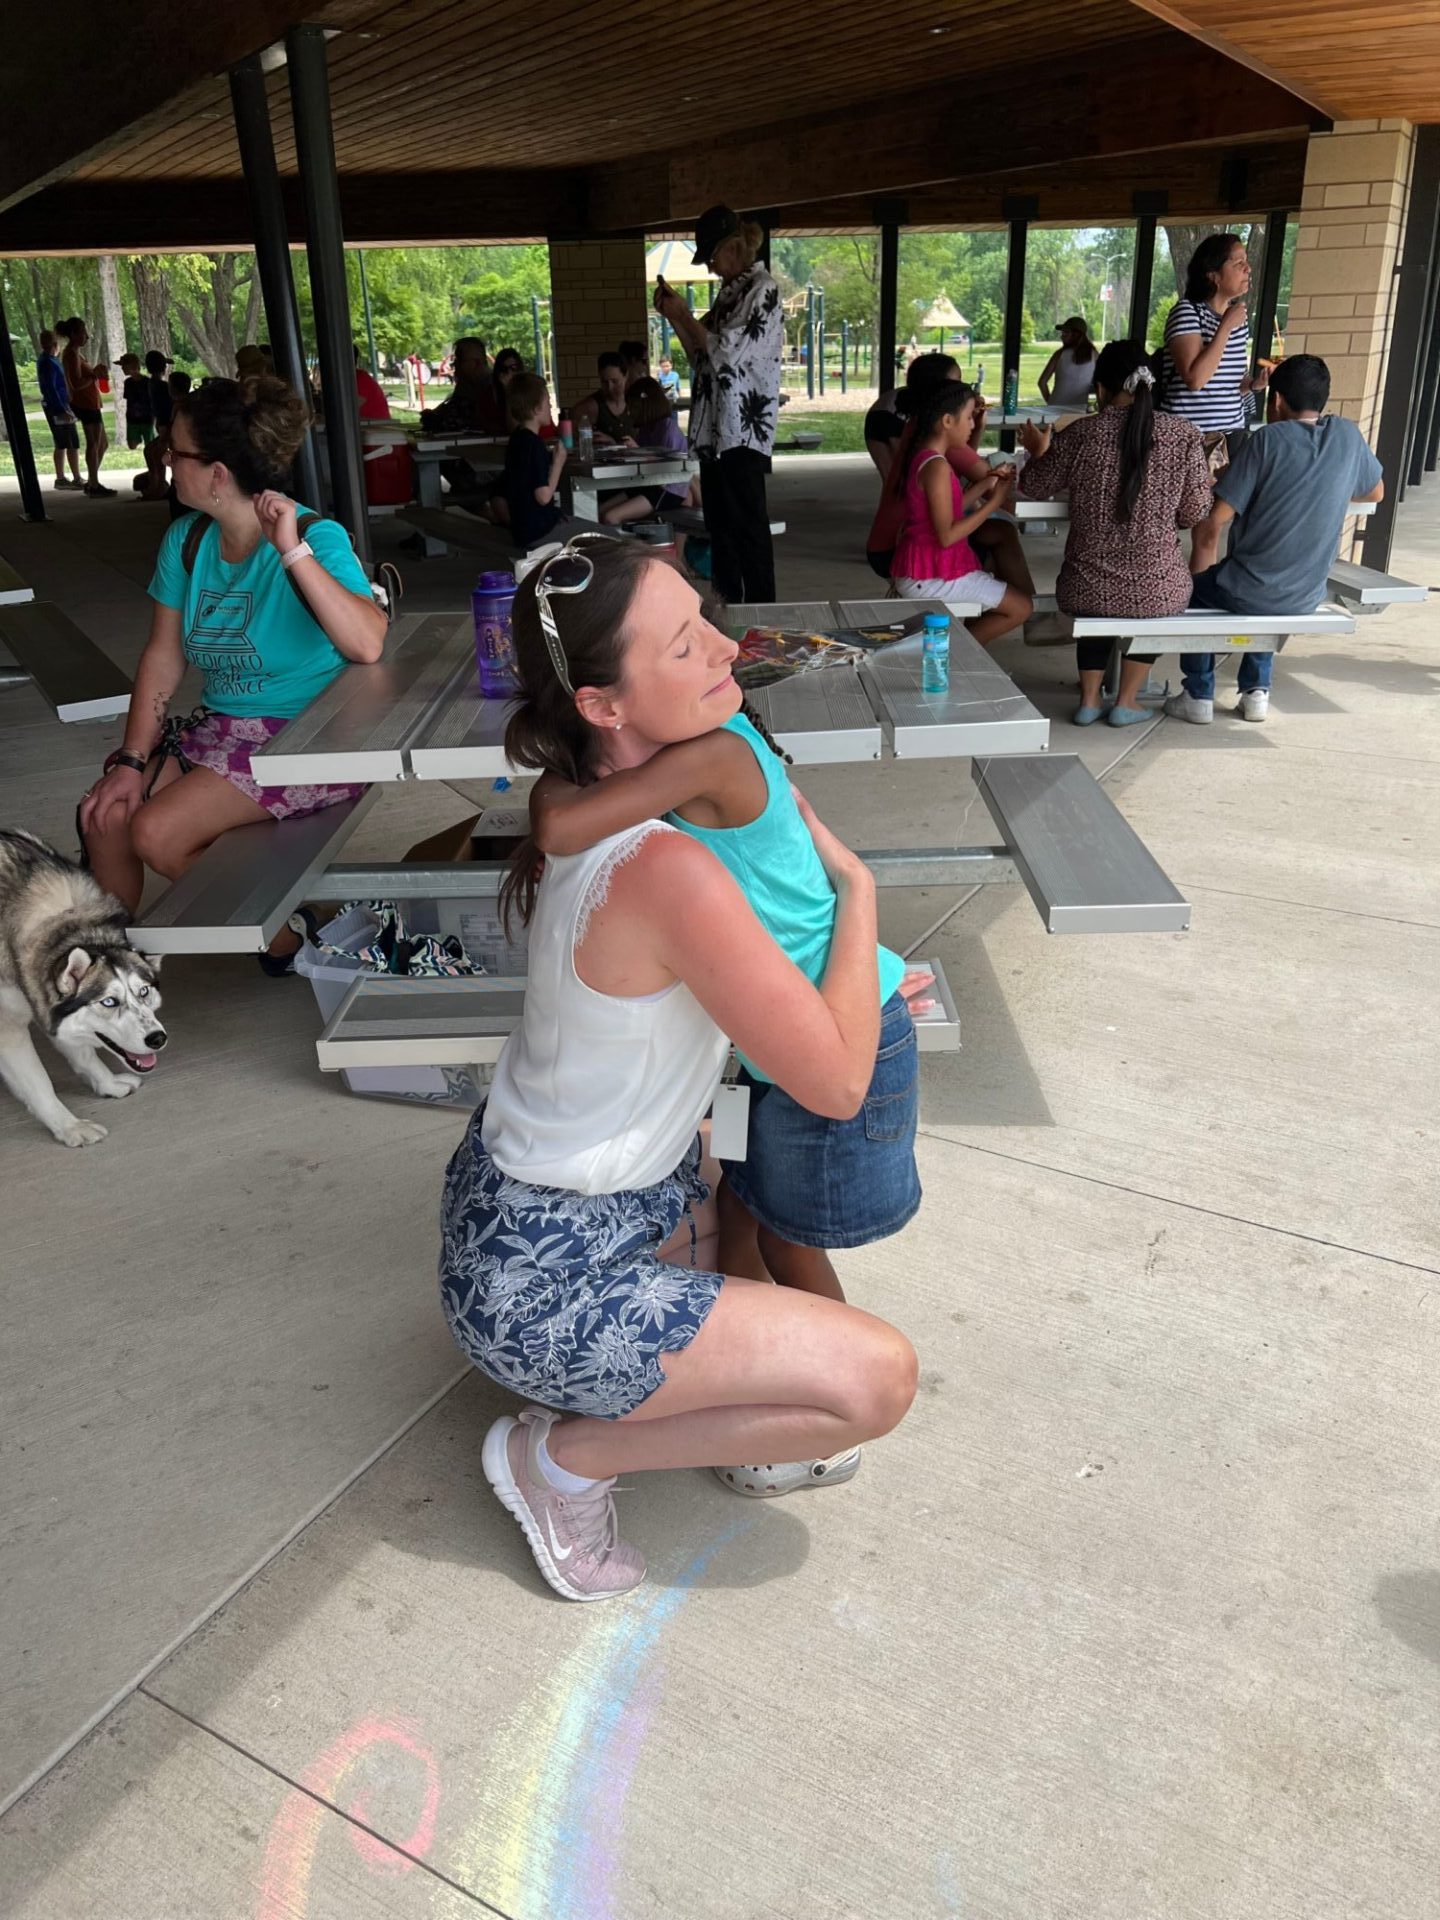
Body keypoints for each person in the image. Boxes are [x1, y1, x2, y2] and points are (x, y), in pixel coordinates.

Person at [439, 537, 919, 1600]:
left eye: (705, 616)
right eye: (681, 642)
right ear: (606, 706)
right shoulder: (670, 865)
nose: (722, 645)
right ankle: (559, 1459)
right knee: (873, 1381)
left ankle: (651, 1374)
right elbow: (838, 1083)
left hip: (512, 1218)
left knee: (744, 1212)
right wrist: (864, 903)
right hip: (550, 1284)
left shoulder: (601, 813)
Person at [77, 375, 386, 971]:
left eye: (176, 452)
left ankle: (290, 939)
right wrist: (130, 762)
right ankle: (109, 974)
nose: (164, 460)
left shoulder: (316, 536)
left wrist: (291, 548)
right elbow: (162, 656)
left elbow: (367, 643)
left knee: (158, 833)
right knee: (109, 813)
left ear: (217, 474)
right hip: (225, 734)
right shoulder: (187, 541)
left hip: (307, 739)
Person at [1167, 353, 1384, 725]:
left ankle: (1198, 693)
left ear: (1277, 400)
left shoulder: (1266, 440)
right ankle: (1256, 692)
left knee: (1197, 589)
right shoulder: (1348, 435)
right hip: (1306, 592)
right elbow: (1375, 491)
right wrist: (1322, 488)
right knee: (1272, 570)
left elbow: (1213, 523)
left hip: (1253, 588)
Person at [1018, 340, 1212, 725]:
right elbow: (1193, 513)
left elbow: (1035, 486)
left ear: (1101, 389)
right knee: (1156, 597)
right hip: (1158, 587)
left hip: (1084, 586)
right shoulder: (1185, 435)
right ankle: (1127, 700)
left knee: (1097, 594)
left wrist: (1039, 451)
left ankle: (1089, 699)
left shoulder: (1080, 433)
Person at [655, 204, 784, 602]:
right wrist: (674, 316)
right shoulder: (730, 294)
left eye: (712, 258)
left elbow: (727, 353)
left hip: (743, 431)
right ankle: (729, 609)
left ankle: (761, 614)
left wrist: (684, 315)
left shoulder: (762, 290)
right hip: (714, 431)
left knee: (749, 528)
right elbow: (701, 355)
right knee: (721, 528)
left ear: (733, 248)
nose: (711, 269)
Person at [866, 353, 1035, 602]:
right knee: (1000, 542)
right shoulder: (937, 443)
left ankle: (1004, 613)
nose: (963, 390)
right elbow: (984, 477)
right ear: (943, 398)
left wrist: (972, 427)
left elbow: (974, 471)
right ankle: (1023, 614)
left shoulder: (920, 428)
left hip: (892, 542)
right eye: (956, 384)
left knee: (998, 534)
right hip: (907, 551)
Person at [890, 381, 1033, 646]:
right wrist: (994, 503)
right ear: (947, 420)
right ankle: (957, 653)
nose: (971, 425)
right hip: (929, 576)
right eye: (968, 417)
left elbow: (948, 510)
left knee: (1000, 582)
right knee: (1021, 607)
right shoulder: (937, 466)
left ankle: (954, 651)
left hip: (924, 568)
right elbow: (947, 535)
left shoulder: (928, 458)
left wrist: (987, 483)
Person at [1158, 233, 1268, 446]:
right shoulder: (1187, 312)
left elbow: (1229, 383)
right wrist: (1225, 327)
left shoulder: (1238, 320)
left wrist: (1254, 384)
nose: (1248, 268)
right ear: (1213, 275)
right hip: (1187, 439)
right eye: (1239, 263)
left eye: (1246, 261)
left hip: (1230, 435)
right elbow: (1195, 380)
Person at [598, 377, 693, 529]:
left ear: (646, 405)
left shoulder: (668, 430)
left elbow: (669, 471)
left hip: (667, 490)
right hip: (646, 485)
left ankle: (629, 551)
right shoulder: (647, 428)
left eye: (633, 406)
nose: (630, 411)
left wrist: (637, 451)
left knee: (611, 517)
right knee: (599, 511)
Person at [499, 371, 569, 550]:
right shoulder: (534, 444)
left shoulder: (516, 439)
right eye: (548, 402)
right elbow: (543, 496)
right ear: (537, 408)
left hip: (521, 529)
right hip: (541, 531)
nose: (550, 406)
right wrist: (558, 462)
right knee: (607, 537)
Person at [55, 316, 112, 497]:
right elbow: (76, 384)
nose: (87, 336)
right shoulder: (71, 353)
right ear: (73, 334)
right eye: (83, 332)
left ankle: (92, 480)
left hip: (91, 403)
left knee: (102, 443)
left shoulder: (77, 353)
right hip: (85, 404)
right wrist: (94, 374)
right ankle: (93, 485)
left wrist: (95, 373)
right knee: (93, 443)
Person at [35, 329, 82, 490]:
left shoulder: (47, 360)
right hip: (58, 407)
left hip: (59, 405)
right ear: (55, 345)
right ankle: (73, 477)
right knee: (70, 441)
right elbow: (51, 388)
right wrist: (62, 408)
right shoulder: (49, 362)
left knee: (62, 442)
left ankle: (63, 477)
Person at [421, 337, 494, 434]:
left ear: (477, 362)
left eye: (460, 359)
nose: (454, 364)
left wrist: (436, 419)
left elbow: (460, 422)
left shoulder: (492, 389)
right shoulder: (466, 384)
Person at [573, 351, 634, 444]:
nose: (610, 387)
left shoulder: (635, 402)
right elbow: (573, 443)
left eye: (615, 381)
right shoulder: (590, 407)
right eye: (604, 382)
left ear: (626, 376)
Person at [1038, 317, 1098, 409]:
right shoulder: (1094, 355)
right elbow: (1100, 384)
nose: (1062, 336)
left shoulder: (1059, 354)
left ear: (1076, 334)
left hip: (1056, 409)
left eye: (1066, 332)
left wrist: (1050, 402)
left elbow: (1042, 382)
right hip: (1082, 410)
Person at [117, 354, 154, 451]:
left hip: (147, 418)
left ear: (132, 366)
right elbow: (129, 400)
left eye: (124, 366)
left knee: (150, 446)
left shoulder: (147, 382)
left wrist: (153, 417)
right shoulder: (128, 382)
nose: (122, 369)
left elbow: (152, 401)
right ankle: (139, 439)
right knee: (132, 445)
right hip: (132, 419)